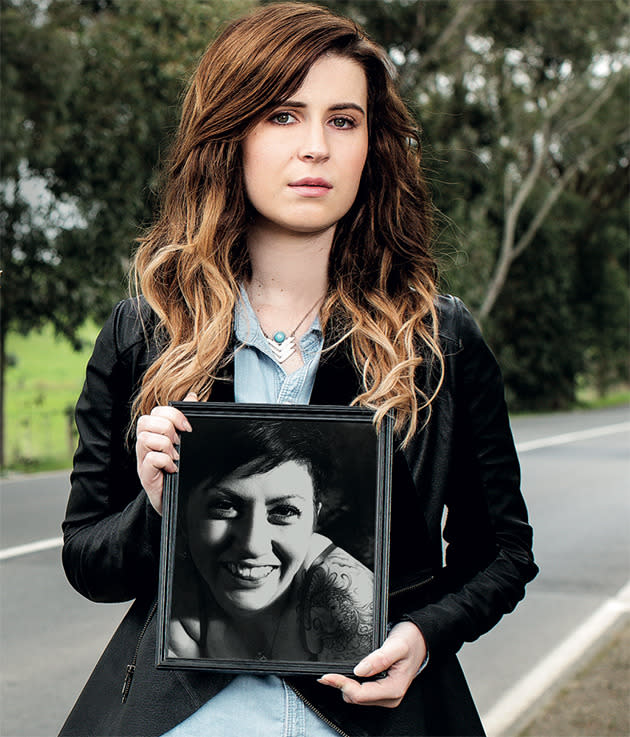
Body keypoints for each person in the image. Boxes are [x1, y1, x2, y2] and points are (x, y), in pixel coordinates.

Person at [59, 3, 538, 736]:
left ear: (370, 147)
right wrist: (155, 506)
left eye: (343, 120)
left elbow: (500, 554)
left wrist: (422, 637)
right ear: (232, 135)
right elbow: (88, 560)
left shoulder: (439, 339)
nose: (315, 146)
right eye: (284, 116)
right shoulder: (145, 333)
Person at [167, 420, 374, 664]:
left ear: (314, 518)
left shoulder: (345, 599)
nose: (252, 545)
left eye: (285, 511)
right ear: (182, 514)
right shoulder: (177, 590)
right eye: (224, 506)